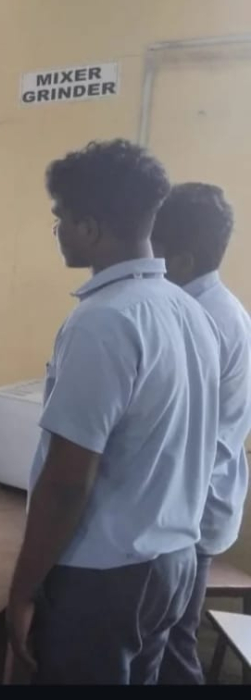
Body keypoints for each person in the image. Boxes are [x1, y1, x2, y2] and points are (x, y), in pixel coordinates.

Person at [5, 140, 220, 684]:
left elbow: (67, 482)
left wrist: (23, 589)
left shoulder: (104, 320)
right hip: (173, 561)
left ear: (90, 228)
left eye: (61, 218)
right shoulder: (188, 311)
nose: (58, 230)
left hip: (104, 578)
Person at [151, 183, 251, 684]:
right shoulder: (226, 309)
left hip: (189, 514)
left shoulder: (200, 321)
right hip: (202, 505)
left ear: (183, 260)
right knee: (170, 636)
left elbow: (176, 434)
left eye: (154, 250)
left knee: (172, 645)